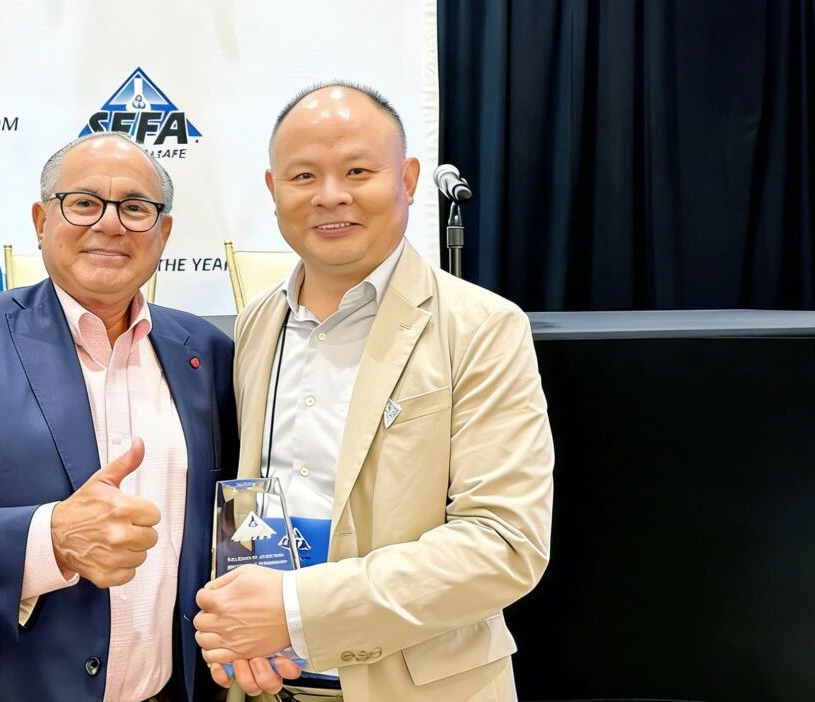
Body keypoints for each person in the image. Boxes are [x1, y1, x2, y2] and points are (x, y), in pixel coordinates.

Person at [194, 82, 555, 702]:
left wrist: (295, 608)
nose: (330, 195)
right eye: (303, 175)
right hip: (266, 682)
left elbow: (503, 543)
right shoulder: (257, 323)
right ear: (273, 190)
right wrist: (244, 623)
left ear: (408, 180)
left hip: (420, 688)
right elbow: (251, 497)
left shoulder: (482, 327)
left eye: (358, 171)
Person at [0, 132, 237, 701]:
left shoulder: (206, 352)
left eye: (135, 208)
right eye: (83, 203)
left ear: (164, 232)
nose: (110, 224)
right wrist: (50, 540)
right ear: (41, 221)